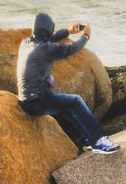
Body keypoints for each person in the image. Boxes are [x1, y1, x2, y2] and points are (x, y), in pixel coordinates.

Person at [17, 13, 119, 154]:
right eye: (51, 29)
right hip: (37, 100)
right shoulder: (44, 50)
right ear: (47, 30)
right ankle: (97, 141)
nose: (52, 32)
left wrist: (69, 31)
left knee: (68, 107)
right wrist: (85, 37)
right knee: (75, 101)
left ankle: (90, 139)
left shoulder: (26, 43)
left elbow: (51, 38)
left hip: (29, 98)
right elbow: (71, 48)